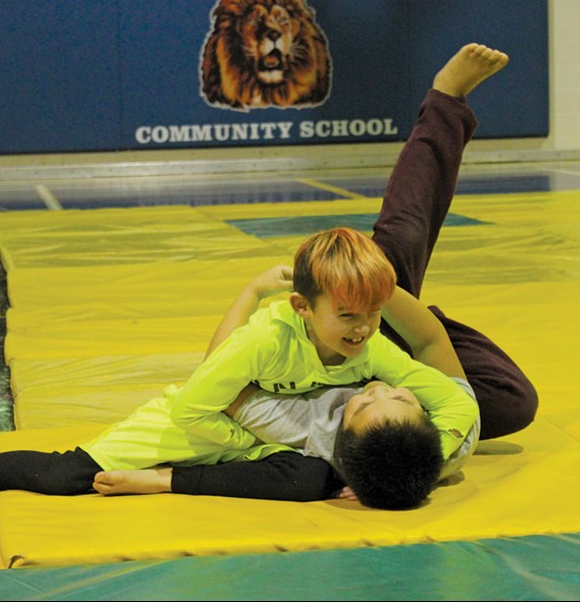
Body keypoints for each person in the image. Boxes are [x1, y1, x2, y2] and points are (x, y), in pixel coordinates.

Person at [94, 42, 536, 503]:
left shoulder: (312, 440)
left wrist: (338, 302)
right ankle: (443, 106)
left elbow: (220, 380)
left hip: (336, 337)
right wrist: (377, 298)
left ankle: (444, 103)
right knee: (511, 403)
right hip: (392, 333)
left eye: (366, 401)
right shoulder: (447, 439)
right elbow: (429, 343)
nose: (380, 390)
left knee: (398, 251)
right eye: (399, 398)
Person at [0, 226, 478, 516]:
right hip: (201, 421)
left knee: (315, 482)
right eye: (349, 316)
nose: (365, 330)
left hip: (273, 447)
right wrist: (248, 442)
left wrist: (441, 451)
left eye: (374, 315)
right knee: (70, 475)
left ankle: (180, 477)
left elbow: (453, 399)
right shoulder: (267, 338)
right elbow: (198, 401)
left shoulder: (374, 351)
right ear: (303, 307)